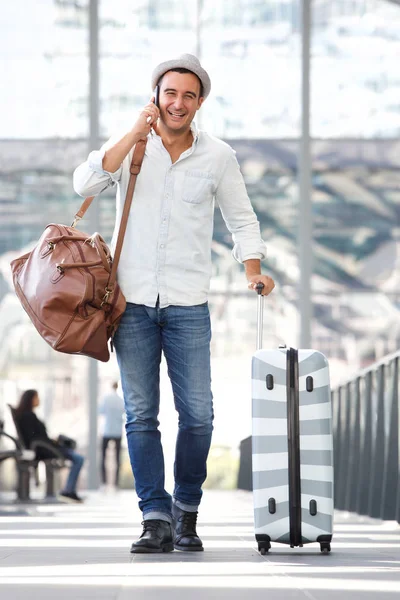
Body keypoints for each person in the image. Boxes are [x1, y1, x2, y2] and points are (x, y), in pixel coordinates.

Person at [73, 53, 275, 553]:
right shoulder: (130, 149)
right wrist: (132, 132)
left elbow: (242, 219)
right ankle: (154, 516)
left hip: (188, 303)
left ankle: (186, 510)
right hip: (132, 302)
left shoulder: (218, 156)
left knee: (199, 414)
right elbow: (85, 184)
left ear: (199, 102)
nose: (178, 103)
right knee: (140, 415)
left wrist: (253, 270)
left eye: (188, 95)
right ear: (156, 97)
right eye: (170, 93)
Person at [14, 389, 85, 503]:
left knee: (75, 456)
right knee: (78, 459)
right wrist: (53, 443)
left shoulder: (28, 415)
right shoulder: (28, 416)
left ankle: (69, 490)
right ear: (30, 399)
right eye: (36, 397)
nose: (39, 400)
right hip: (44, 449)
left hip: (46, 446)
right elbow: (35, 438)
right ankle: (68, 490)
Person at [99, 381, 125, 488]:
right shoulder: (121, 400)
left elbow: (101, 411)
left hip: (107, 431)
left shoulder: (106, 399)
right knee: (117, 458)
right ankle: (116, 483)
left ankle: (104, 482)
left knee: (103, 457)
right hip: (117, 431)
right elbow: (125, 412)